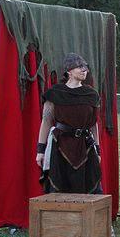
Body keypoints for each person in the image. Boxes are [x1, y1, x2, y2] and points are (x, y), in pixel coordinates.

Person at [35, 53, 102, 195]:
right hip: (60, 145)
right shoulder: (55, 93)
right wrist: (40, 151)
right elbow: (46, 121)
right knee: (60, 187)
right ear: (69, 71)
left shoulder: (91, 94)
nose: (85, 70)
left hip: (85, 146)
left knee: (89, 186)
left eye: (85, 67)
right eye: (80, 67)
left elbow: (93, 124)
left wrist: (97, 149)